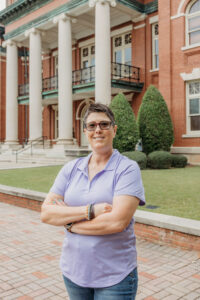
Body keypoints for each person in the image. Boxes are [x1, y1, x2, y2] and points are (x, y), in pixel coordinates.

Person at [41, 103, 145, 300]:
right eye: (92, 125)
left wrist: (69, 223)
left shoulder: (127, 169)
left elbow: (116, 222)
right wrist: (91, 210)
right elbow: (46, 213)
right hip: (74, 272)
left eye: (104, 124)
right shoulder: (71, 168)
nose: (98, 130)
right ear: (85, 131)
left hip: (115, 277)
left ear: (114, 130)